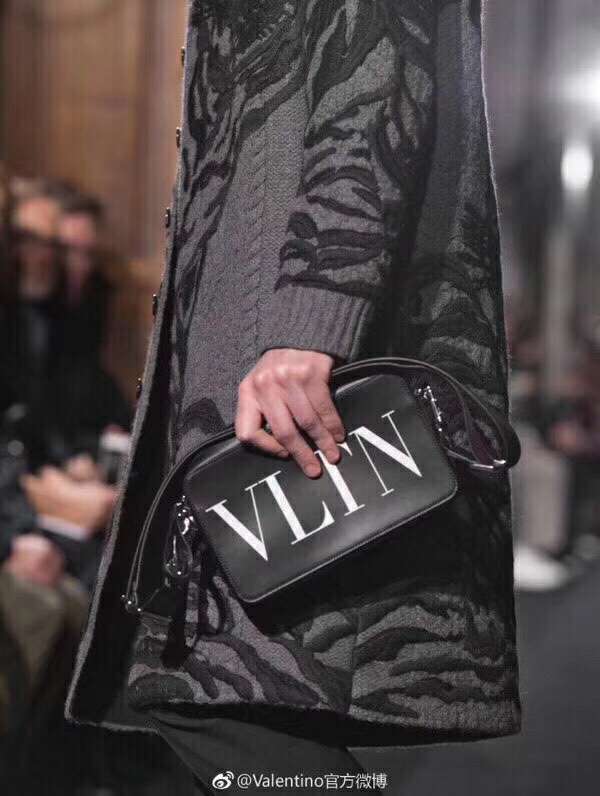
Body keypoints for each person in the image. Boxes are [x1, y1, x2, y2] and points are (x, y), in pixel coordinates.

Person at [65, 2, 521, 793]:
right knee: (223, 689)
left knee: (210, 684)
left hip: (283, 362)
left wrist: (311, 324)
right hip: (256, 346)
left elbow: (372, 81)